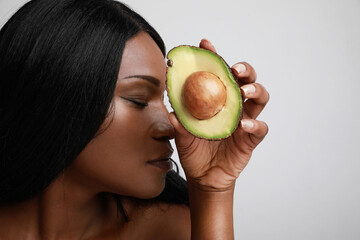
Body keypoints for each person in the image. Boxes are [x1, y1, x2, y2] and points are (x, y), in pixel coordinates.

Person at [0, 0, 269, 239]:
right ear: (53, 101)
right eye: (139, 99)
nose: (170, 126)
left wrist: (213, 191)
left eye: (165, 99)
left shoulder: (173, 230)